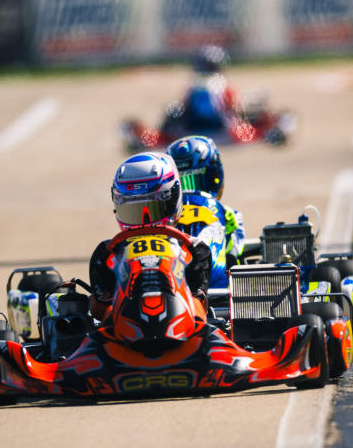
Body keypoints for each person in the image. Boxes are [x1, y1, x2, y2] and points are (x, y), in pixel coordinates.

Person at [88, 152, 213, 321]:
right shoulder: (106, 252)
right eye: (133, 211)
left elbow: (200, 305)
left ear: (173, 199)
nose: (144, 222)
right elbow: (98, 313)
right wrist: (104, 288)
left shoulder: (195, 249)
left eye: (153, 209)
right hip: (121, 327)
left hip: (183, 322)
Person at [165, 136, 245, 288]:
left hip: (216, 284)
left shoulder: (229, 216)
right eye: (182, 184)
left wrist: (228, 233)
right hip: (170, 280)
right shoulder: (161, 217)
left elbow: (234, 254)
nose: (188, 192)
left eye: (195, 181)